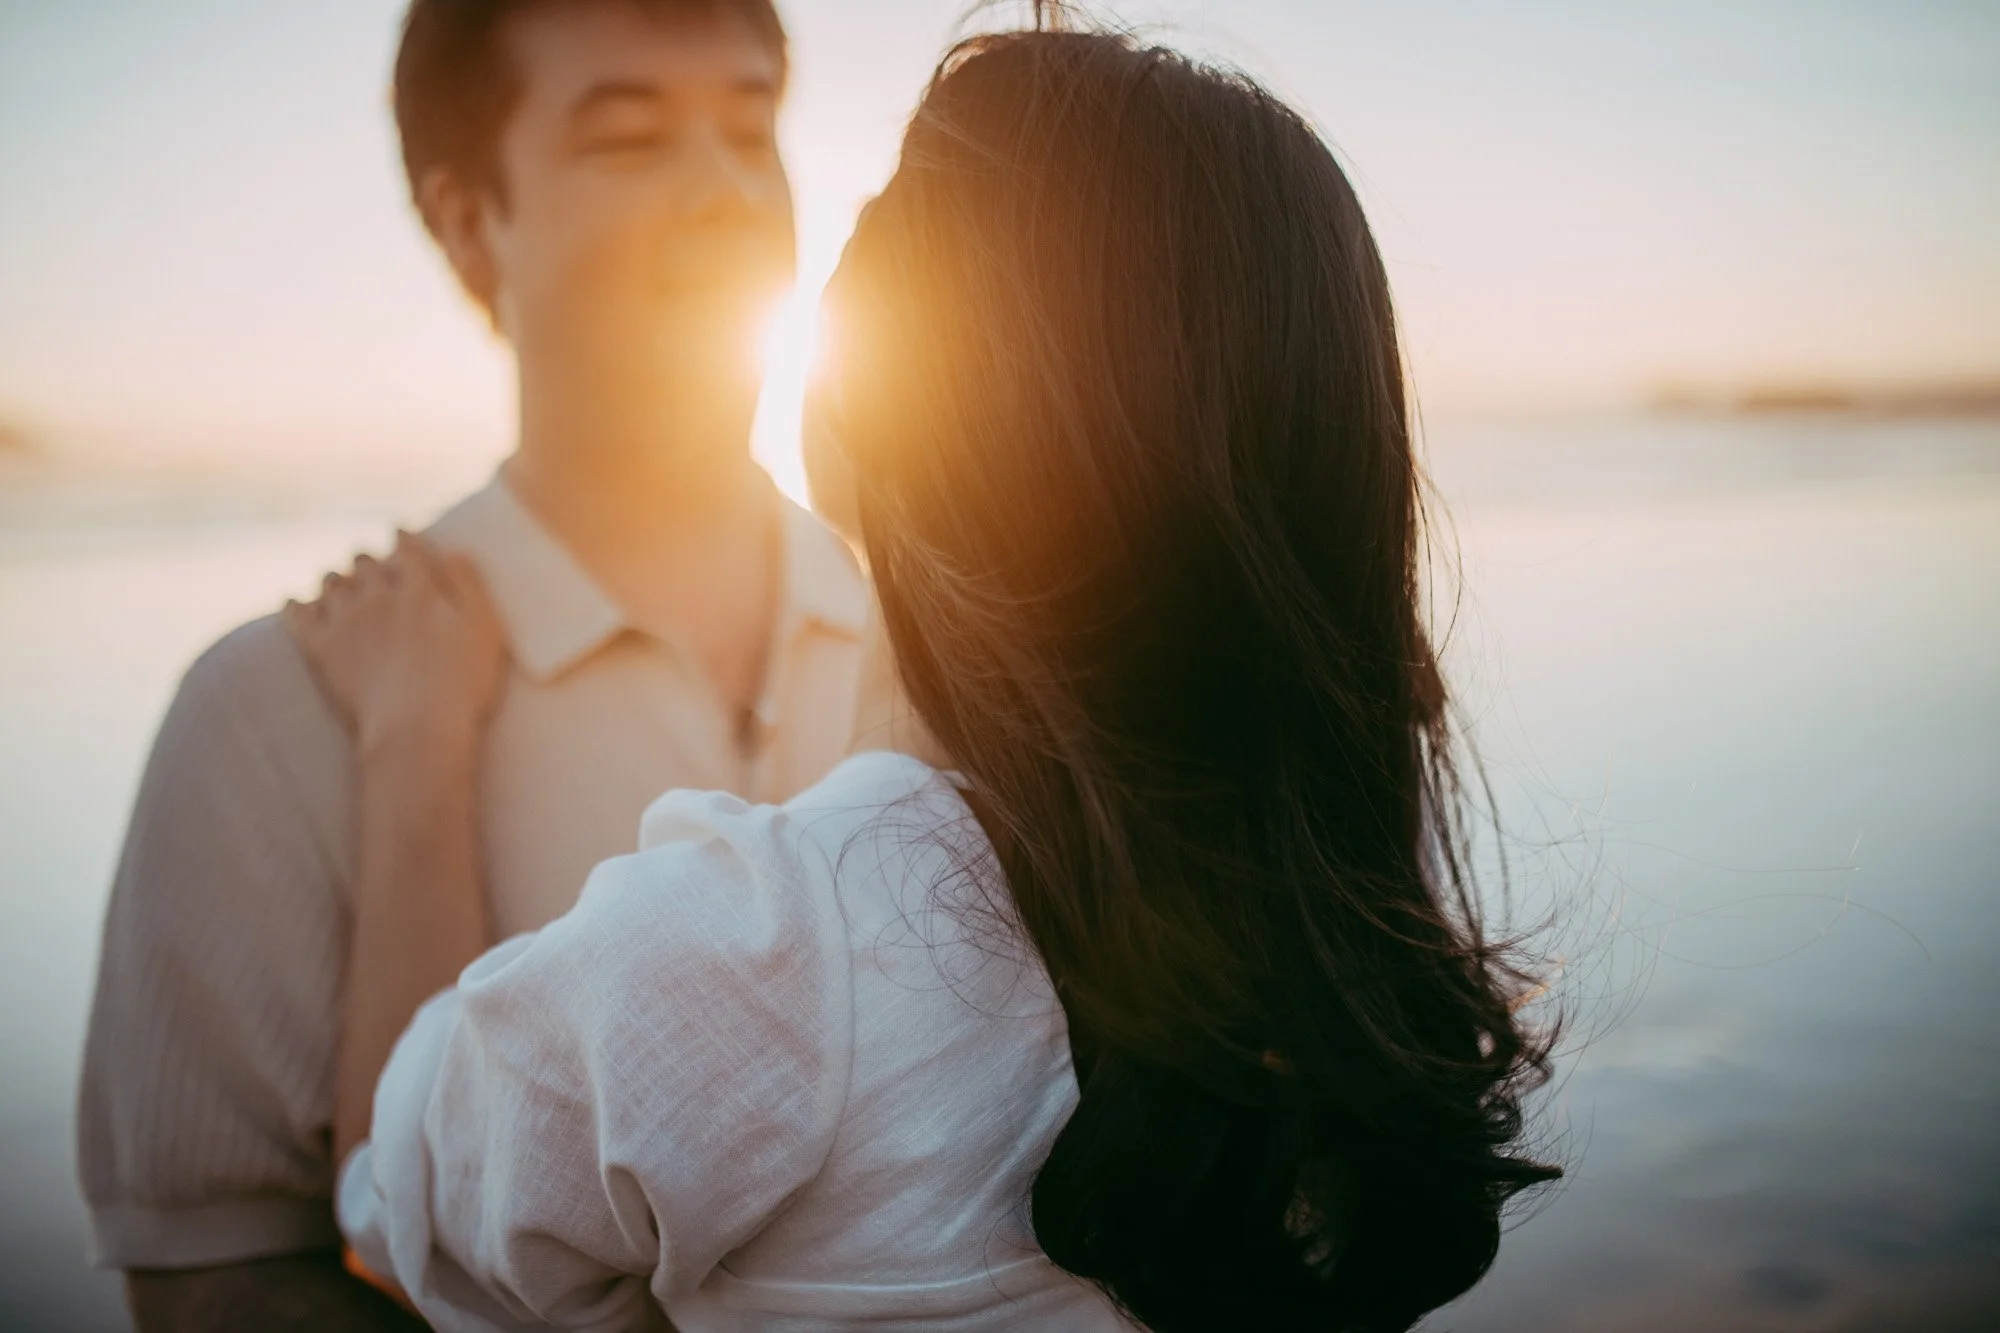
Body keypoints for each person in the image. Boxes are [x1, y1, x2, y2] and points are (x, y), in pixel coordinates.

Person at [291, 19, 1562, 1333]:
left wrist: (412, 746)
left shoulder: (753, 955)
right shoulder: (1353, 872)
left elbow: (393, 1213)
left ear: (844, 411)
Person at [75, 2, 870, 1329]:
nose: (727, 192)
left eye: (751, 126)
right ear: (467, 224)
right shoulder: (273, 719)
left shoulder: (956, 642)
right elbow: (215, 1293)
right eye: (629, 141)